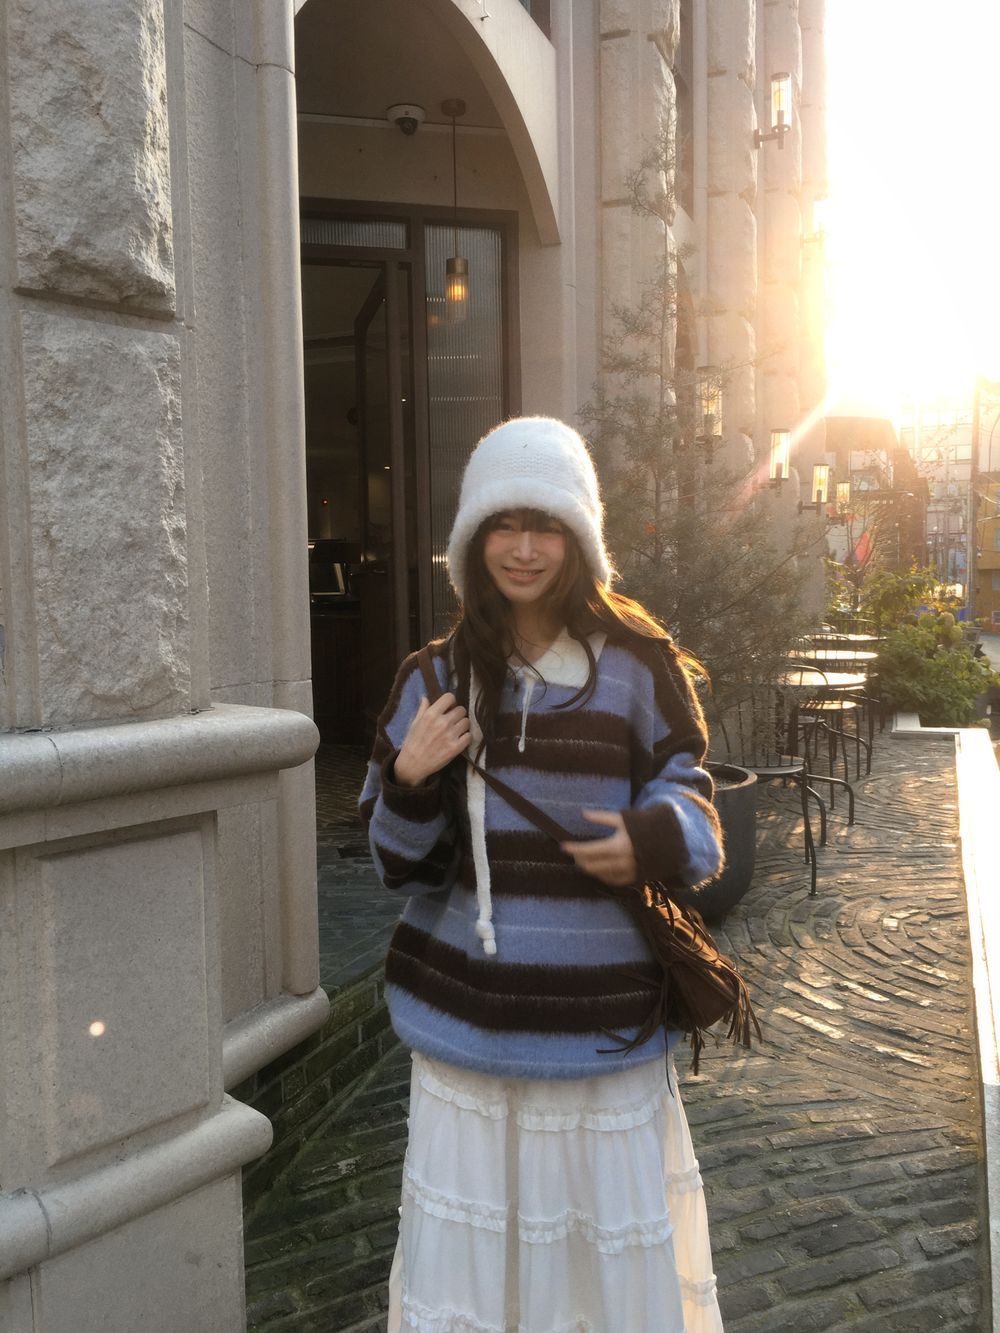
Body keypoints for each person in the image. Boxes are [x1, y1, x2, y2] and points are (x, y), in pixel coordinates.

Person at [360, 416, 726, 1333]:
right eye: (503, 524)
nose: (523, 549)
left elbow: (698, 810)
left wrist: (649, 837)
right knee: (479, 1290)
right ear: (472, 539)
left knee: (598, 1284)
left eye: (547, 525)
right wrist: (409, 777)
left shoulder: (638, 666)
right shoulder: (432, 677)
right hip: (467, 1043)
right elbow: (398, 867)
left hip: (599, 1038)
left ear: (580, 539)